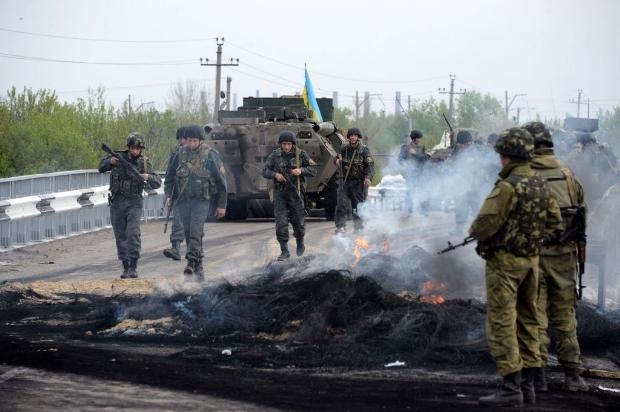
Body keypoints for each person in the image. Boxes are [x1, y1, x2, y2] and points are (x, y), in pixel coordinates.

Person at [469, 127, 563, 407]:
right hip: (532, 262)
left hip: (505, 263)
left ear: (507, 156)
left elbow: (482, 226)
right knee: (529, 319)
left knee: (502, 321)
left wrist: (501, 235)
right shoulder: (539, 184)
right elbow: (555, 222)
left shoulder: (508, 186)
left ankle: (511, 386)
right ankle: (532, 381)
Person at [524, 121, 589, 393]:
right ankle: (573, 375)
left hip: (533, 257)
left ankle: (537, 375)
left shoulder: (523, 176)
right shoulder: (569, 176)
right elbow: (582, 215)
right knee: (565, 316)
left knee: (534, 316)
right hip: (564, 257)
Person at [164, 124, 227, 280]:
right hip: (183, 200)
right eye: (189, 140)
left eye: (194, 141)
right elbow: (170, 178)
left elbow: (221, 182)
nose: (191, 144)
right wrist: (169, 196)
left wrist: (221, 205)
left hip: (201, 201)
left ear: (200, 140)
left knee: (195, 231)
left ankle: (191, 263)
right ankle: (199, 270)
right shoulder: (179, 154)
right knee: (187, 232)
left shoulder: (210, 155)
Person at [98, 132, 161, 279]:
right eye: (133, 148)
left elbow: (157, 182)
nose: (135, 151)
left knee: (132, 234)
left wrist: (147, 176)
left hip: (134, 202)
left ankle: (133, 266)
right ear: (128, 147)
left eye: (138, 149)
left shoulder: (144, 162)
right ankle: (125, 266)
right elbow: (100, 167)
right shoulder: (118, 157)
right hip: (117, 202)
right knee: (120, 235)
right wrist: (110, 162)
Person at [262, 131, 316, 261]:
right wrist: (275, 175)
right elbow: (265, 170)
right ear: (280, 144)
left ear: (293, 144)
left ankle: (300, 242)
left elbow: (313, 170)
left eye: (288, 144)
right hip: (280, 193)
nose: (286, 147)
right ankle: (284, 251)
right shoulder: (275, 155)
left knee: (298, 222)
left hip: (296, 194)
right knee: (281, 223)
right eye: (284, 144)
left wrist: (301, 170)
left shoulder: (300, 154)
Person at [334, 127, 374, 233]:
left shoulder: (364, 150)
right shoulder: (344, 149)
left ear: (358, 137)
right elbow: (336, 158)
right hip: (345, 181)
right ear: (348, 137)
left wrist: (368, 178)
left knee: (358, 206)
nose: (353, 137)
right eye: (351, 135)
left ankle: (359, 227)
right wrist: (337, 161)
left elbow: (370, 166)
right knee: (341, 204)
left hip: (358, 182)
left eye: (355, 135)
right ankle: (340, 226)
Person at [162, 126, 188, 261]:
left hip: (197, 196)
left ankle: (194, 251)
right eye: (181, 139)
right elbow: (169, 177)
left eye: (185, 138)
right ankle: (176, 248)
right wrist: (168, 196)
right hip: (179, 195)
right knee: (177, 222)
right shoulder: (176, 154)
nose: (183, 141)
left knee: (194, 225)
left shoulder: (202, 153)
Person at [398, 129, 430, 216]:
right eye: (419, 138)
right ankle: (410, 210)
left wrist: (415, 154)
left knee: (423, 191)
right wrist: (405, 167)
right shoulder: (405, 148)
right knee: (410, 192)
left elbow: (426, 158)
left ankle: (424, 210)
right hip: (410, 173)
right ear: (415, 139)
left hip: (421, 173)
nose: (420, 140)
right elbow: (400, 159)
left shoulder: (422, 148)